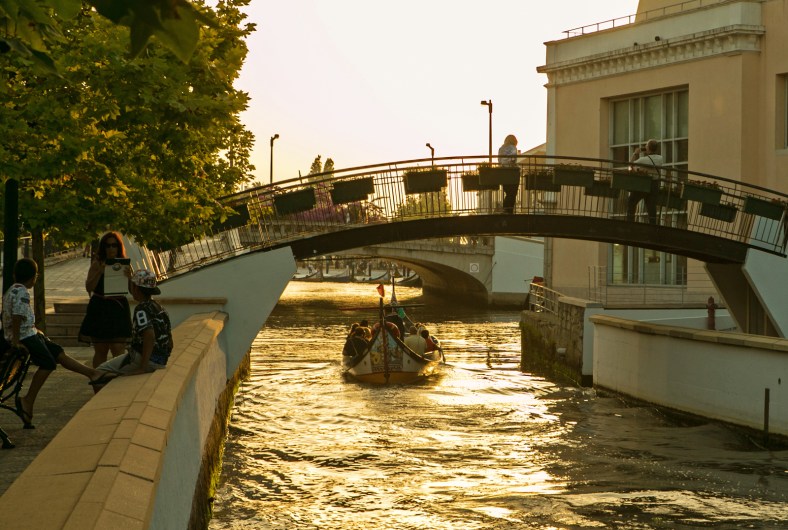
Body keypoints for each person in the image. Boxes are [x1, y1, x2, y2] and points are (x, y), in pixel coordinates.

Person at [2, 259, 112, 428]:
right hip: (26, 338)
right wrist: (16, 342)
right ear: (34, 278)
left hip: (30, 334)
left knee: (58, 352)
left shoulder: (12, 290)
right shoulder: (22, 292)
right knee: (48, 363)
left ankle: (92, 373)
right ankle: (27, 400)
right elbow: (17, 316)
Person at [95, 270, 173, 376]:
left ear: (136, 288)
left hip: (145, 360)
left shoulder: (141, 309)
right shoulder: (160, 309)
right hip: (161, 360)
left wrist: (142, 367)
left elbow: (149, 336)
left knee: (100, 370)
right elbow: (170, 342)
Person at [78, 231, 133, 367]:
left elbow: (133, 291)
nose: (111, 249)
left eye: (114, 245)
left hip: (118, 307)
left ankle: (116, 381)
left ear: (119, 247)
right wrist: (100, 272)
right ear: (103, 248)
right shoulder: (97, 264)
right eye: (107, 246)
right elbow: (89, 287)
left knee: (118, 348)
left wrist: (131, 278)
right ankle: (99, 380)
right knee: (101, 349)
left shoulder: (124, 264)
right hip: (100, 307)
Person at [626, 139, 664, 225]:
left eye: (646, 145)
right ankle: (653, 226)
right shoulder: (660, 158)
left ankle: (630, 223)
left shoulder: (643, 160)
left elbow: (630, 164)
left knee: (631, 201)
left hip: (643, 184)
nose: (645, 147)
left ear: (648, 148)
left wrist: (635, 153)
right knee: (651, 207)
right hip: (655, 184)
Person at [498, 134, 520, 214]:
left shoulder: (501, 149)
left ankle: (506, 209)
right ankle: (509, 210)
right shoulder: (513, 148)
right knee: (513, 192)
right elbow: (513, 159)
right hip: (512, 172)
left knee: (508, 192)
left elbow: (499, 161)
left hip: (503, 173)